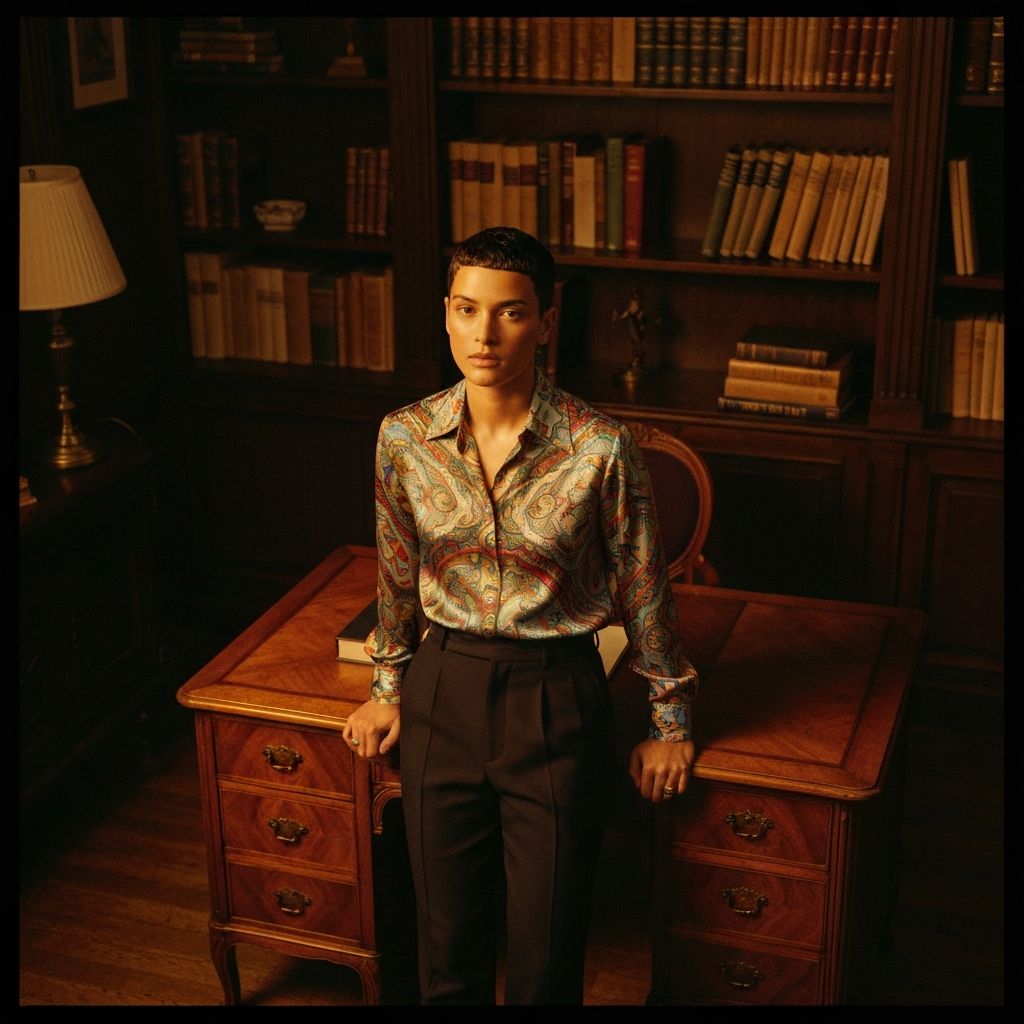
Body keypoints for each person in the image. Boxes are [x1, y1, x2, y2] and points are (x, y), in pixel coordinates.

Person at [342, 226, 698, 1006]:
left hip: (557, 700)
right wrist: (386, 686)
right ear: (445, 313)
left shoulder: (599, 447)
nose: (484, 333)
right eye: (468, 309)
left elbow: (644, 589)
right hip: (444, 691)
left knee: (545, 953)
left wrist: (669, 725)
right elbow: (396, 575)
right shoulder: (402, 439)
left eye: (509, 313)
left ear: (543, 320)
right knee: (447, 950)